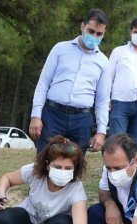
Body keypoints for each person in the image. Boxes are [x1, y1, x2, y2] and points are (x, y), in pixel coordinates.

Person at [29, 9, 109, 153]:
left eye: (99, 34)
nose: (94, 36)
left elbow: (102, 100)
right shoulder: (60, 49)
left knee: (75, 167)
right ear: (82, 26)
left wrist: (101, 132)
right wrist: (36, 116)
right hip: (53, 115)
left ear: (104, 33)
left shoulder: (103, 62)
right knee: (44, 162)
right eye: (91, 31)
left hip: (82, 120)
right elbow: (43, 83)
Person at [104, 17, 137, 146]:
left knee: (135, 145)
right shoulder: (118, 52)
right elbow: (108, 77)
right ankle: (113, 166)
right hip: (120, 102)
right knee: (116, 142)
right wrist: (106, 100)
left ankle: (132, 166)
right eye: (135, 32)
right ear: (130, 32)